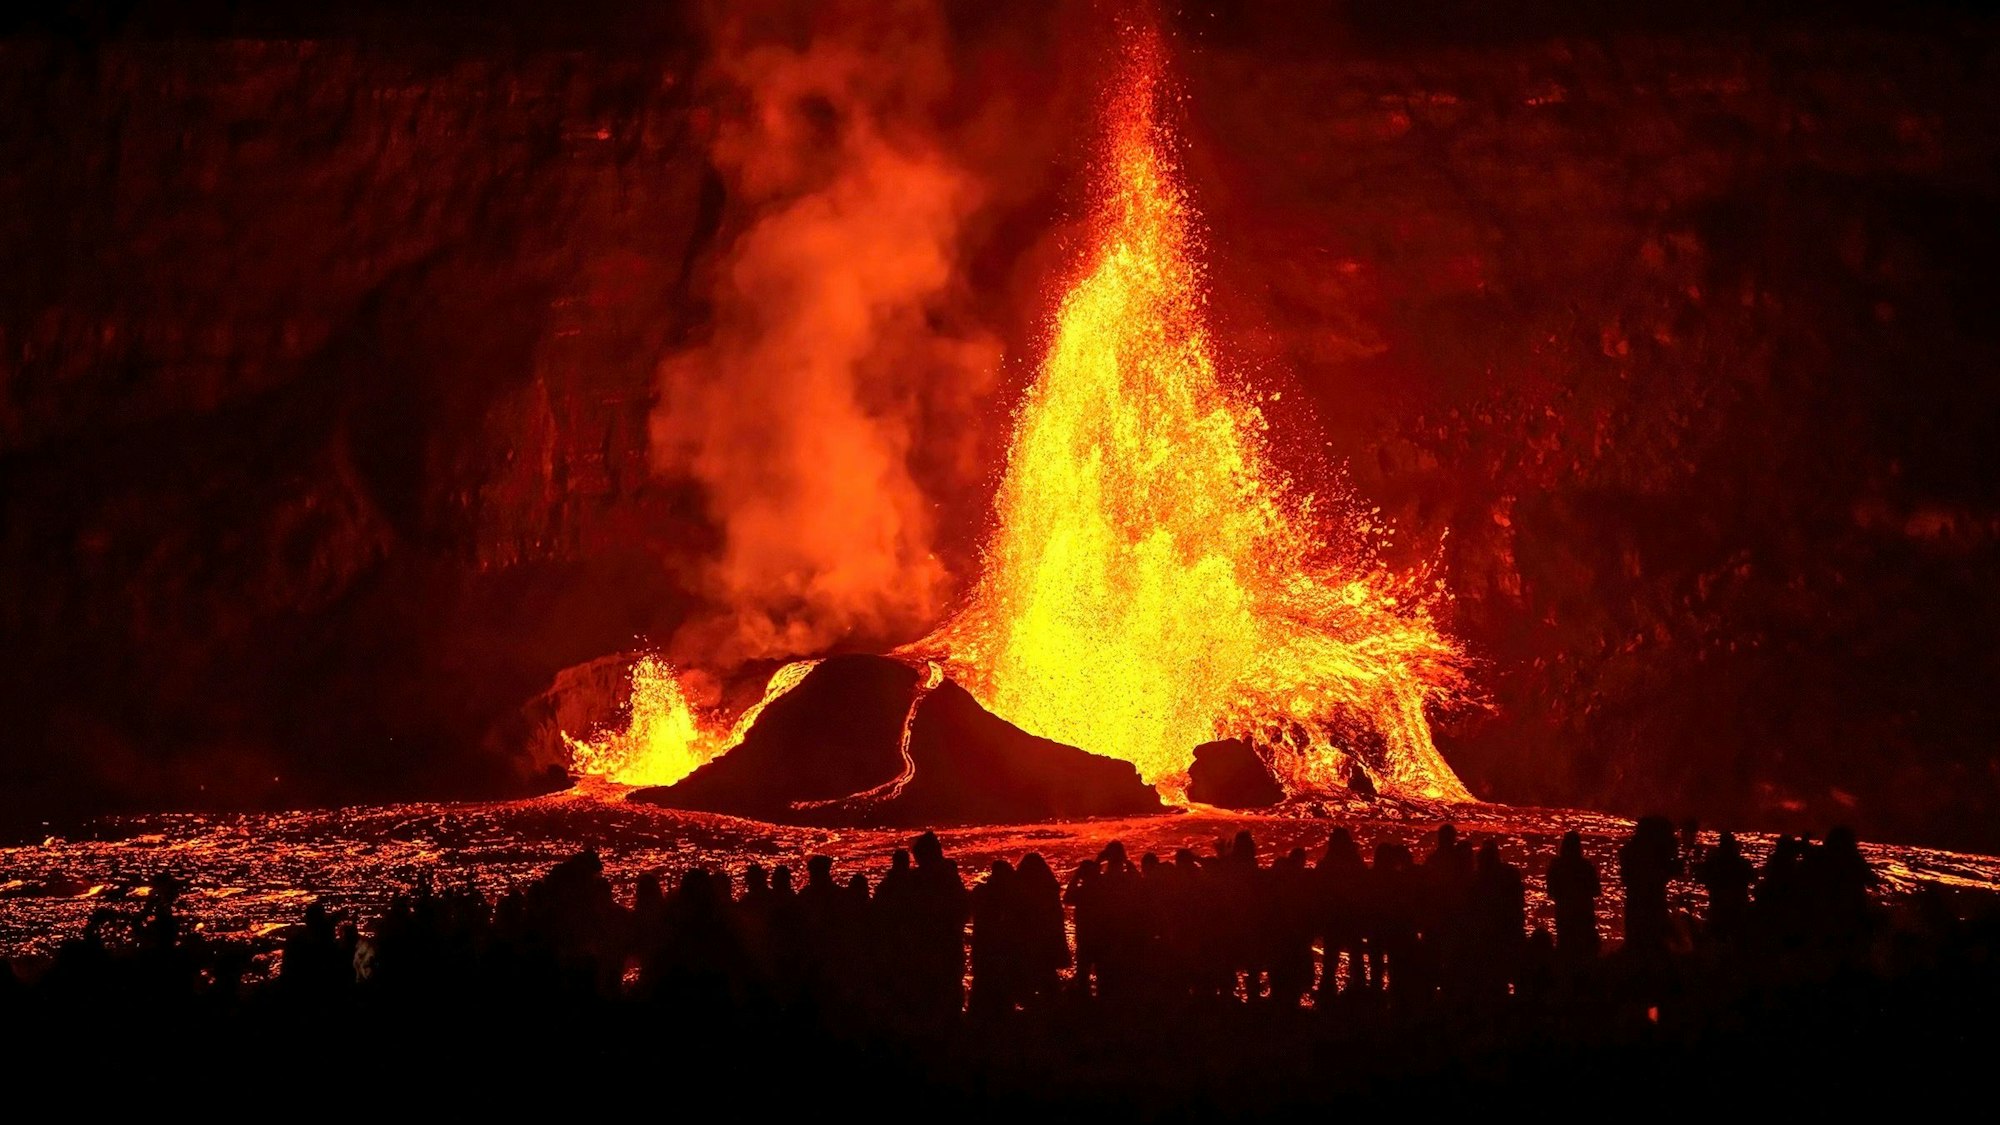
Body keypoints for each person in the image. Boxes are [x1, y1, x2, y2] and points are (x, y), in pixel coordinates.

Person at [1546, 831, 1602, 961]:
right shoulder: (1586, 866)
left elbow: (1551, 892)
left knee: (1565, 945)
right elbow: (1596, 891)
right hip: (1584, 914)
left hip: (1564, 913)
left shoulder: (1556, 866)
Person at [1696, 832, 1756, 943]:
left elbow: (1701, 878)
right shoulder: (1742, 863)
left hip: (1718, 907)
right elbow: (1753, 878)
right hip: (1737, 907)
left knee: (1718, 938)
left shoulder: (1714, 863)